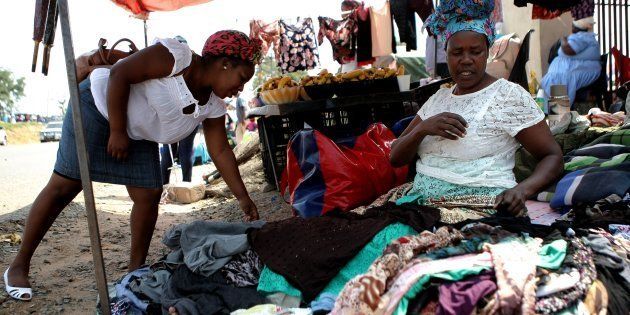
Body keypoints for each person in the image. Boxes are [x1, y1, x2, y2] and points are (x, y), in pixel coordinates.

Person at [4, 30, 262, 301]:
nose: (241, 89)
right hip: (99, 106)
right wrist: (117, 131)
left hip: (137, 133)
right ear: (224, 63)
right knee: (65, 185)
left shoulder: (213, 106)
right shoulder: (177, 56)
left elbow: (220, 150)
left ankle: (134, 271)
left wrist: (243, 198)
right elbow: (121, 74)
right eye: (242, 78)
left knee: (148, 193)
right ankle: (19, 264)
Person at [390, 0, 563, 216]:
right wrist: (423, 128)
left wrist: (521, 190)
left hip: (480, 207)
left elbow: (552, 156)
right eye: (457, 52)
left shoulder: (508, 96)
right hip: (420, 203)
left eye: (475, 51)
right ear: (447, 53)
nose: (466, 60)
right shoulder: (439, 98)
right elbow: (395, 158)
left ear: (487, 52)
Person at [160, 35, 199, 184]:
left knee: (169, 152)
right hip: (189, 114)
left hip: (173, 115)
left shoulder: (167, 67)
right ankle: (186, 184)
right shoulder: (195, 64)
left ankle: (165, 186)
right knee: (185, 150)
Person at [541, 17, 601, 106]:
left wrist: (563, 40)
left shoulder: (582, 37)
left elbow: (569, 50)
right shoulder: (584, 37)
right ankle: (546, 113)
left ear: (574, 27)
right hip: (562, 72)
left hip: (566, 73)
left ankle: (558, 114)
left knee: (557, 81)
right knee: (550, 82)